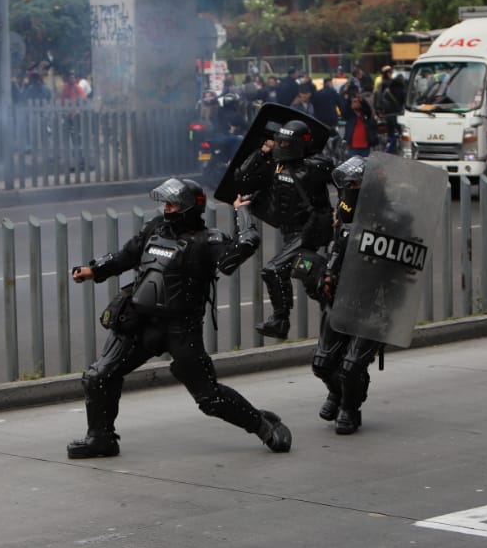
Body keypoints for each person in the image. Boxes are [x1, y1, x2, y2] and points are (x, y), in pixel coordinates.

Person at [66, 179, 292, 458]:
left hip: (180, 329)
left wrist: (241, 211)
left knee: (210, 398)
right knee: (98, 377)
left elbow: (245, 244)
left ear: (187, 208)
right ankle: (100, 439)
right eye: (165, 204)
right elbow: (126, 255)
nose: (166, 209)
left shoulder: (208, 241)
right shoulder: (154, 229)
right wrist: (93, 269)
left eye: (172, 204)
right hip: (141, 323)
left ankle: (262, 425)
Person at [234, 119, 334, 339]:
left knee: (273, 269)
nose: (281, 147)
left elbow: (346, 179)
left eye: (286, 143)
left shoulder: (315, 165)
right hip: (289, 234)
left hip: (309, 231)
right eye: (280, 142)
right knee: (310, 277)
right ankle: (336, 315)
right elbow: (241, 178)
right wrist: (262, 151)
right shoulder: (276, 164)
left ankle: (280, 320)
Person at [310, 156, 385, 435]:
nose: (350, 188)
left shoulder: (392, 218)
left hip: (374, 303)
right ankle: (338, 393)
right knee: (322, 363)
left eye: (356, 184)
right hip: (342, 299)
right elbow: (335, 250)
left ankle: (350, 408)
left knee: (352, 365)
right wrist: (326, 276)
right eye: (348, 184)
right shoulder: (343, 216)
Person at [373, 68, 405, 153]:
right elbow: (403, 103)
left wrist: (378, 111)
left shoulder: (385, 88)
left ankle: (389, 146)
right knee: (400, 132)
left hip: (386, 114)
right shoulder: (402, 90)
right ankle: (394, 147)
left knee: (389, 132)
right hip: (397, 114)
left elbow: (379, 99)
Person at [342, 90, 376, 158]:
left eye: (357, 102)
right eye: (354, 102)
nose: (355, 103)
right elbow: (344, 112)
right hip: (353, 147)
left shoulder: (364, 115)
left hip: (365, 147)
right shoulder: (350, 116)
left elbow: (368, 110)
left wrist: (362, 101)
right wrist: (349, 100)